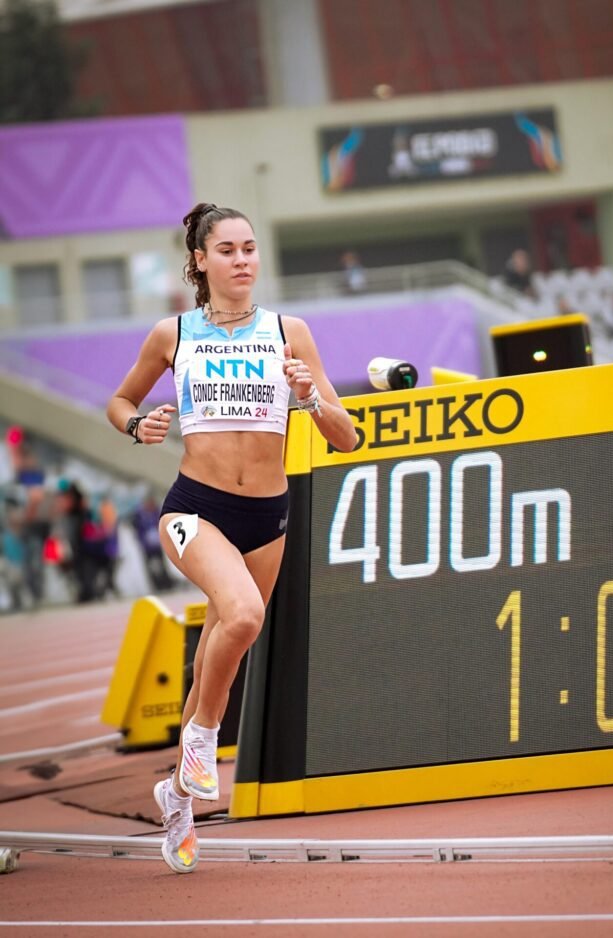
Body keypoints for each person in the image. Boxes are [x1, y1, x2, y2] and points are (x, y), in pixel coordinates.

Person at [106, 202, 357, 875]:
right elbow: (120, 401)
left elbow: (347, 436)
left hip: (267, 514)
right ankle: (204, 739)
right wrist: (136, 426)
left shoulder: (289, 332)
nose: (242, 260)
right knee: (244, 617)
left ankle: (178, 799)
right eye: (227, 250)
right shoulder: (173, 334)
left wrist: (310, 398)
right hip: (196, 508)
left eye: (249, 248)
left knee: (224, 647)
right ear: (200, 260)